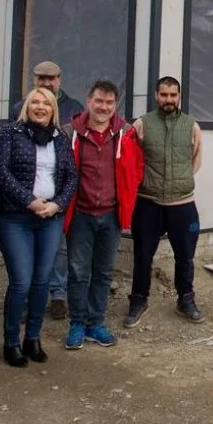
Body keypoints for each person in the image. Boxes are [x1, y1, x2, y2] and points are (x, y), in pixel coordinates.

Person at [0, 88, 77, 366]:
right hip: (16, 218)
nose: (40, 107)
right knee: (21, 281)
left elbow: (71, 177)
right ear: (26, 106)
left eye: (46, 103)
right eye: (35, 102)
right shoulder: (9, 133)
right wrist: (30, 201)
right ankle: (11, 342)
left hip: (49, 219)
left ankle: (33, 337)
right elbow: (1, 172)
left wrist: (57, 205)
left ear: (54, 110)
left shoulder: (60, 138)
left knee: (42, 281)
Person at [63, 80, 143, 349]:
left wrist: (128, 198)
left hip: (111, 215)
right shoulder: (70, 132)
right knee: (77, 271)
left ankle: (95, 323)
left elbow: (137, 168)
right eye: (99, 101)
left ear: (115, 105)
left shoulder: (127, 133)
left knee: (103, 273)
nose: (104, 107)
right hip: (80, 216)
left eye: (109, 103)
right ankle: (76, 323)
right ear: (89, 100)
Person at [125, 76, 205, 327]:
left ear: (179, 96)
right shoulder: (141, 124)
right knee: (142, 255)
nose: (168, 100)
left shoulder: (191, 125)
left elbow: (195, 161)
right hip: (147, 202)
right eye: (164, 95)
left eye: (173, 95)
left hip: (182, 204)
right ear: (156, 95)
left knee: (185, 256)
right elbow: (131, 160)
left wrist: (178, 182)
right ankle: (139, 300)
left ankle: (186, 299)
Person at [22, 61, 85, 320]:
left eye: (52, 78)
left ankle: (58, 294)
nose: (47, 83)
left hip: (60, 192)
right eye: (42, 78)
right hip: (27, 194)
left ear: (59, 79)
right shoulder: (22, 107)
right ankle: (26, 295)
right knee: (27, 248)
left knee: (58, 247)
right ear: (34, 80)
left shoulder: (74, 108)